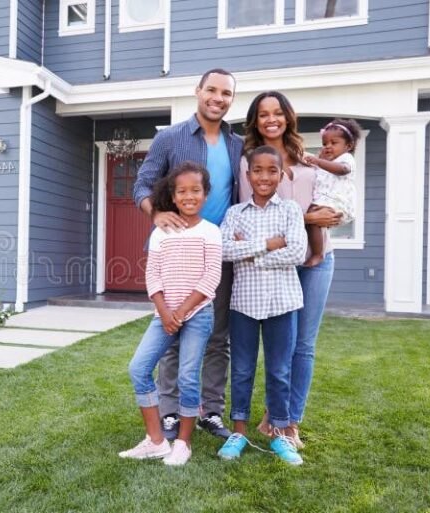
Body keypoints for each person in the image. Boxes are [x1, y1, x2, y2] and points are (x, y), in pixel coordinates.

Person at [132, 68, 243, 440]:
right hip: (176, 251)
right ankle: (169, 411)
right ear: (197, 91)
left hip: (217, 253)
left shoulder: (236, 144)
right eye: (211, 89)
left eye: (226, 93)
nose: (218, 98)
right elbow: (143, 184)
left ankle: (210, 411)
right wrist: (156, 212)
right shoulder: (170, 138)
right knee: (172, 332)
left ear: (231, 99)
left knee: (216, 336)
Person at [239, 91, 342, 448]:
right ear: (255, 120)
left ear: (288, 116)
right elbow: (251, 218)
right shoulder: (248, 162)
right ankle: (274, 412)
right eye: (263, 114)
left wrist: (329, 214)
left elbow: (332, 202)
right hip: (277, 265)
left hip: (317, 260)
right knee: (279, 345)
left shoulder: (310, 158)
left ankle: (289, 420)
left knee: (304, 345)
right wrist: (308, 216)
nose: (271, 119)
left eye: (278, 112)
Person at [120, 162, 222, 466]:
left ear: (205, 195)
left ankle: (183, 442)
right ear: (173, 196)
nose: (189, 196)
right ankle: (156, 441)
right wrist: (165, 313)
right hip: (163, 314)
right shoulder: (160, 233)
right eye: (182, 191)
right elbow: (152, 276)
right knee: (139, 369)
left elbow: (210, 278)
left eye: (196, 190)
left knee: (188, 377)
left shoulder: (211, 232)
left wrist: (180, 311)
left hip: (198, 314)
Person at [216, 145, 307, 466]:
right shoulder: (234, 214)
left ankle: (280, 432)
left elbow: (297, 253)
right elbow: (225, 251)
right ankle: (238, 431)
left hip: (283, 303)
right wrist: (269, 245)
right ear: (248, 174)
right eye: (258, 170)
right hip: (244, 303)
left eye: (272, 171)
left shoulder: (291, 210)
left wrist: (250, 252)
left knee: (280, 370)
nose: (265, 177)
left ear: (281, 175)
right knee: (241, 370)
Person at [303, 119, 362, 267]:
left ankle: (318, 254)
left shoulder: (346, 159)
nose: (328, 147)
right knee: (314, 218)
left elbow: (342, 170)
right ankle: (317, 251)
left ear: (348, 146)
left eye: (333, 143)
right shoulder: (327, 163)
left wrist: (318, 161)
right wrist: (320, 161)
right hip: (327, 201)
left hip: (338, 203)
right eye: (325, 144)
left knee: (313, 216)